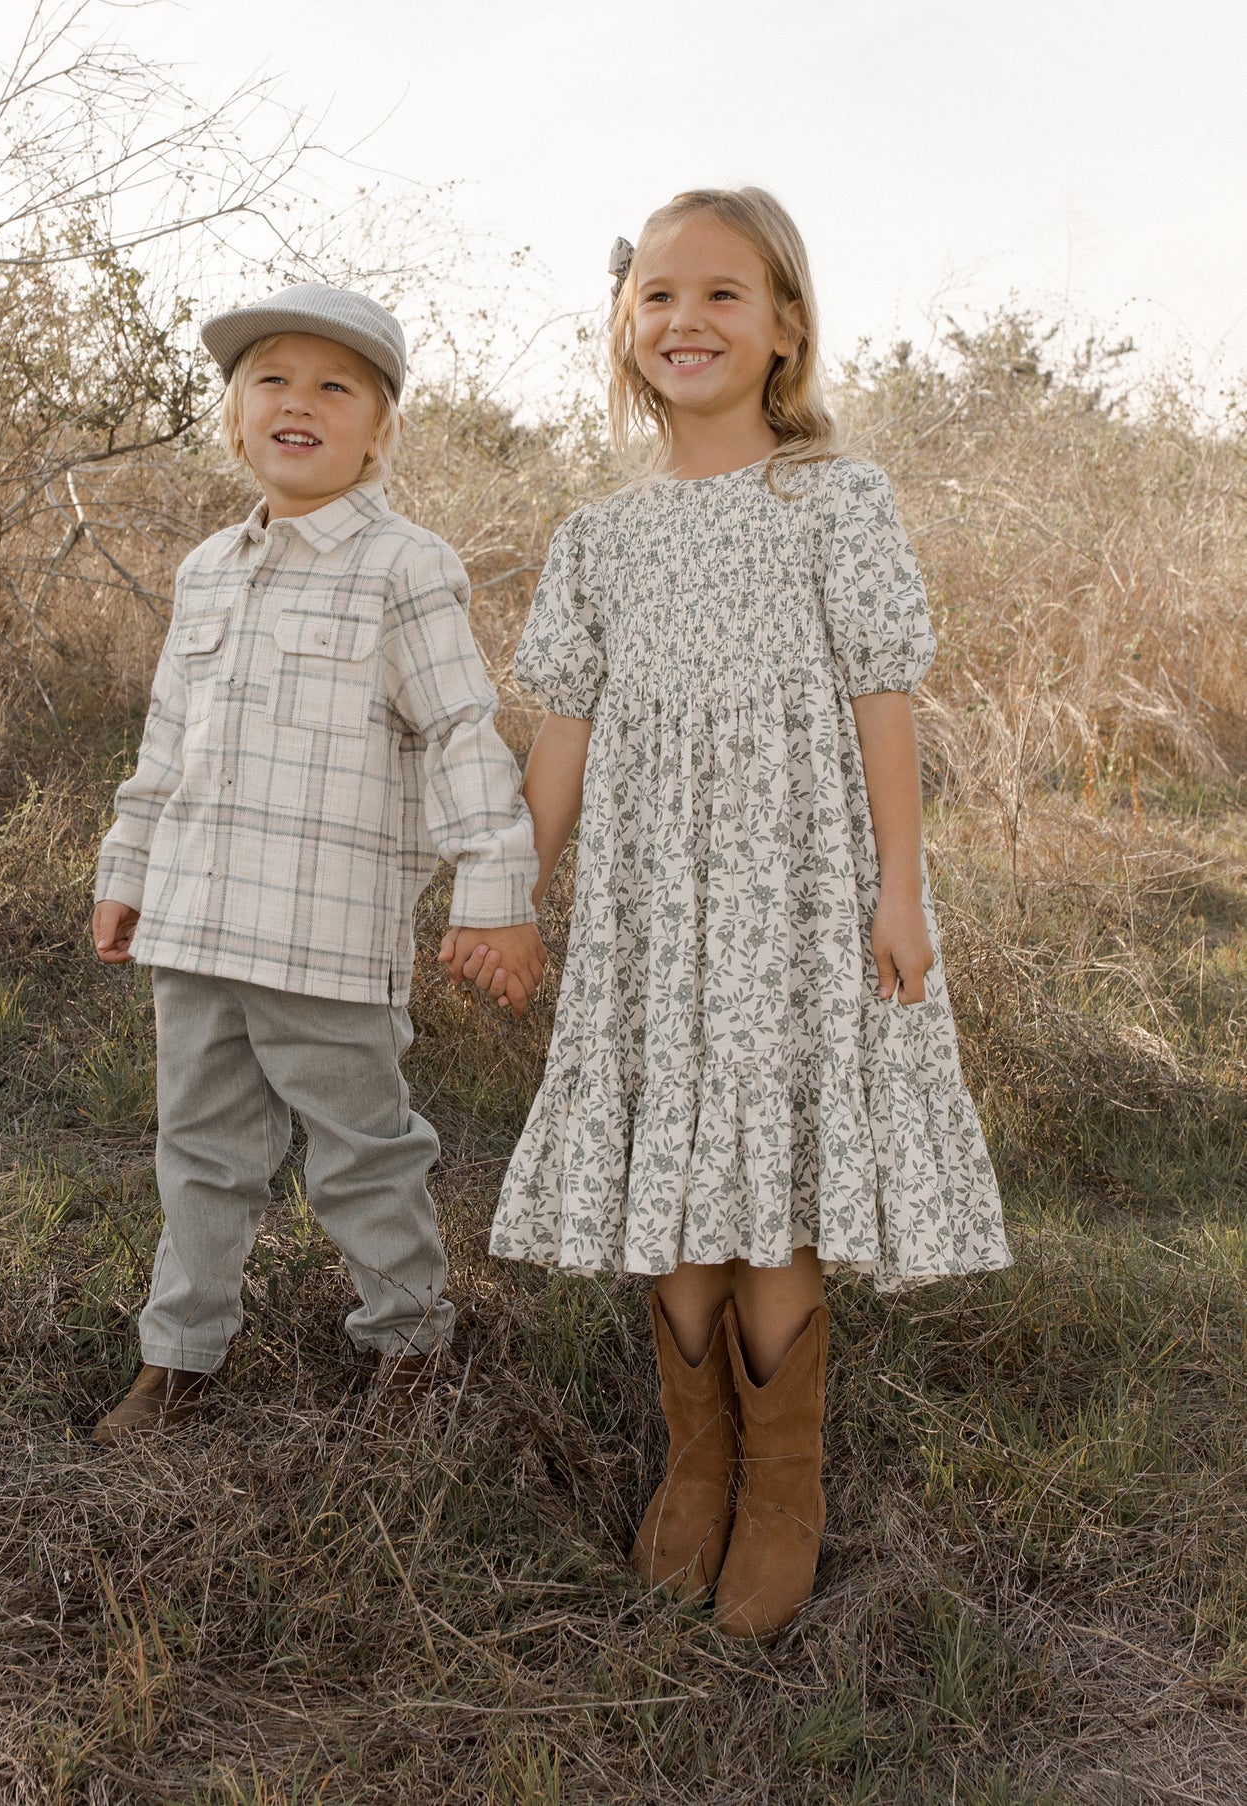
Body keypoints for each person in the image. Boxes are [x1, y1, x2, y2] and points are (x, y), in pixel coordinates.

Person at [445, 188, 1011, 1638]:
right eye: (655, 296)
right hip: (652, 902)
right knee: (677, 1166)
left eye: (719, 295)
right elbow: (560, 735)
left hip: (797, 887)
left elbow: (883, 702)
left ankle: (784, 1482)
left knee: (770, 1165)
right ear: (625, 331)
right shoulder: (598, 536)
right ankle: (695, 1460)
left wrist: (900, 886)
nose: (683, 319)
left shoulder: (833, 500)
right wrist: (509, 892)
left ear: (783, 329)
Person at [90, 282, 545, 1446]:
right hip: (194, 924)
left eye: (334, 386)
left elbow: (458, 732)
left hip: (323, 935)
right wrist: (127, 866)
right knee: (198, 1148)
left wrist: (494, 894)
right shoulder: (207, 571)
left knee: (362, 1154)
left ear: (377, 429)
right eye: (270, 381)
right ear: (235, 415)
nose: (298, 402)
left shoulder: (402, 565)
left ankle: (406, 1346)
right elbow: (163, 744)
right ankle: (178, 1357)